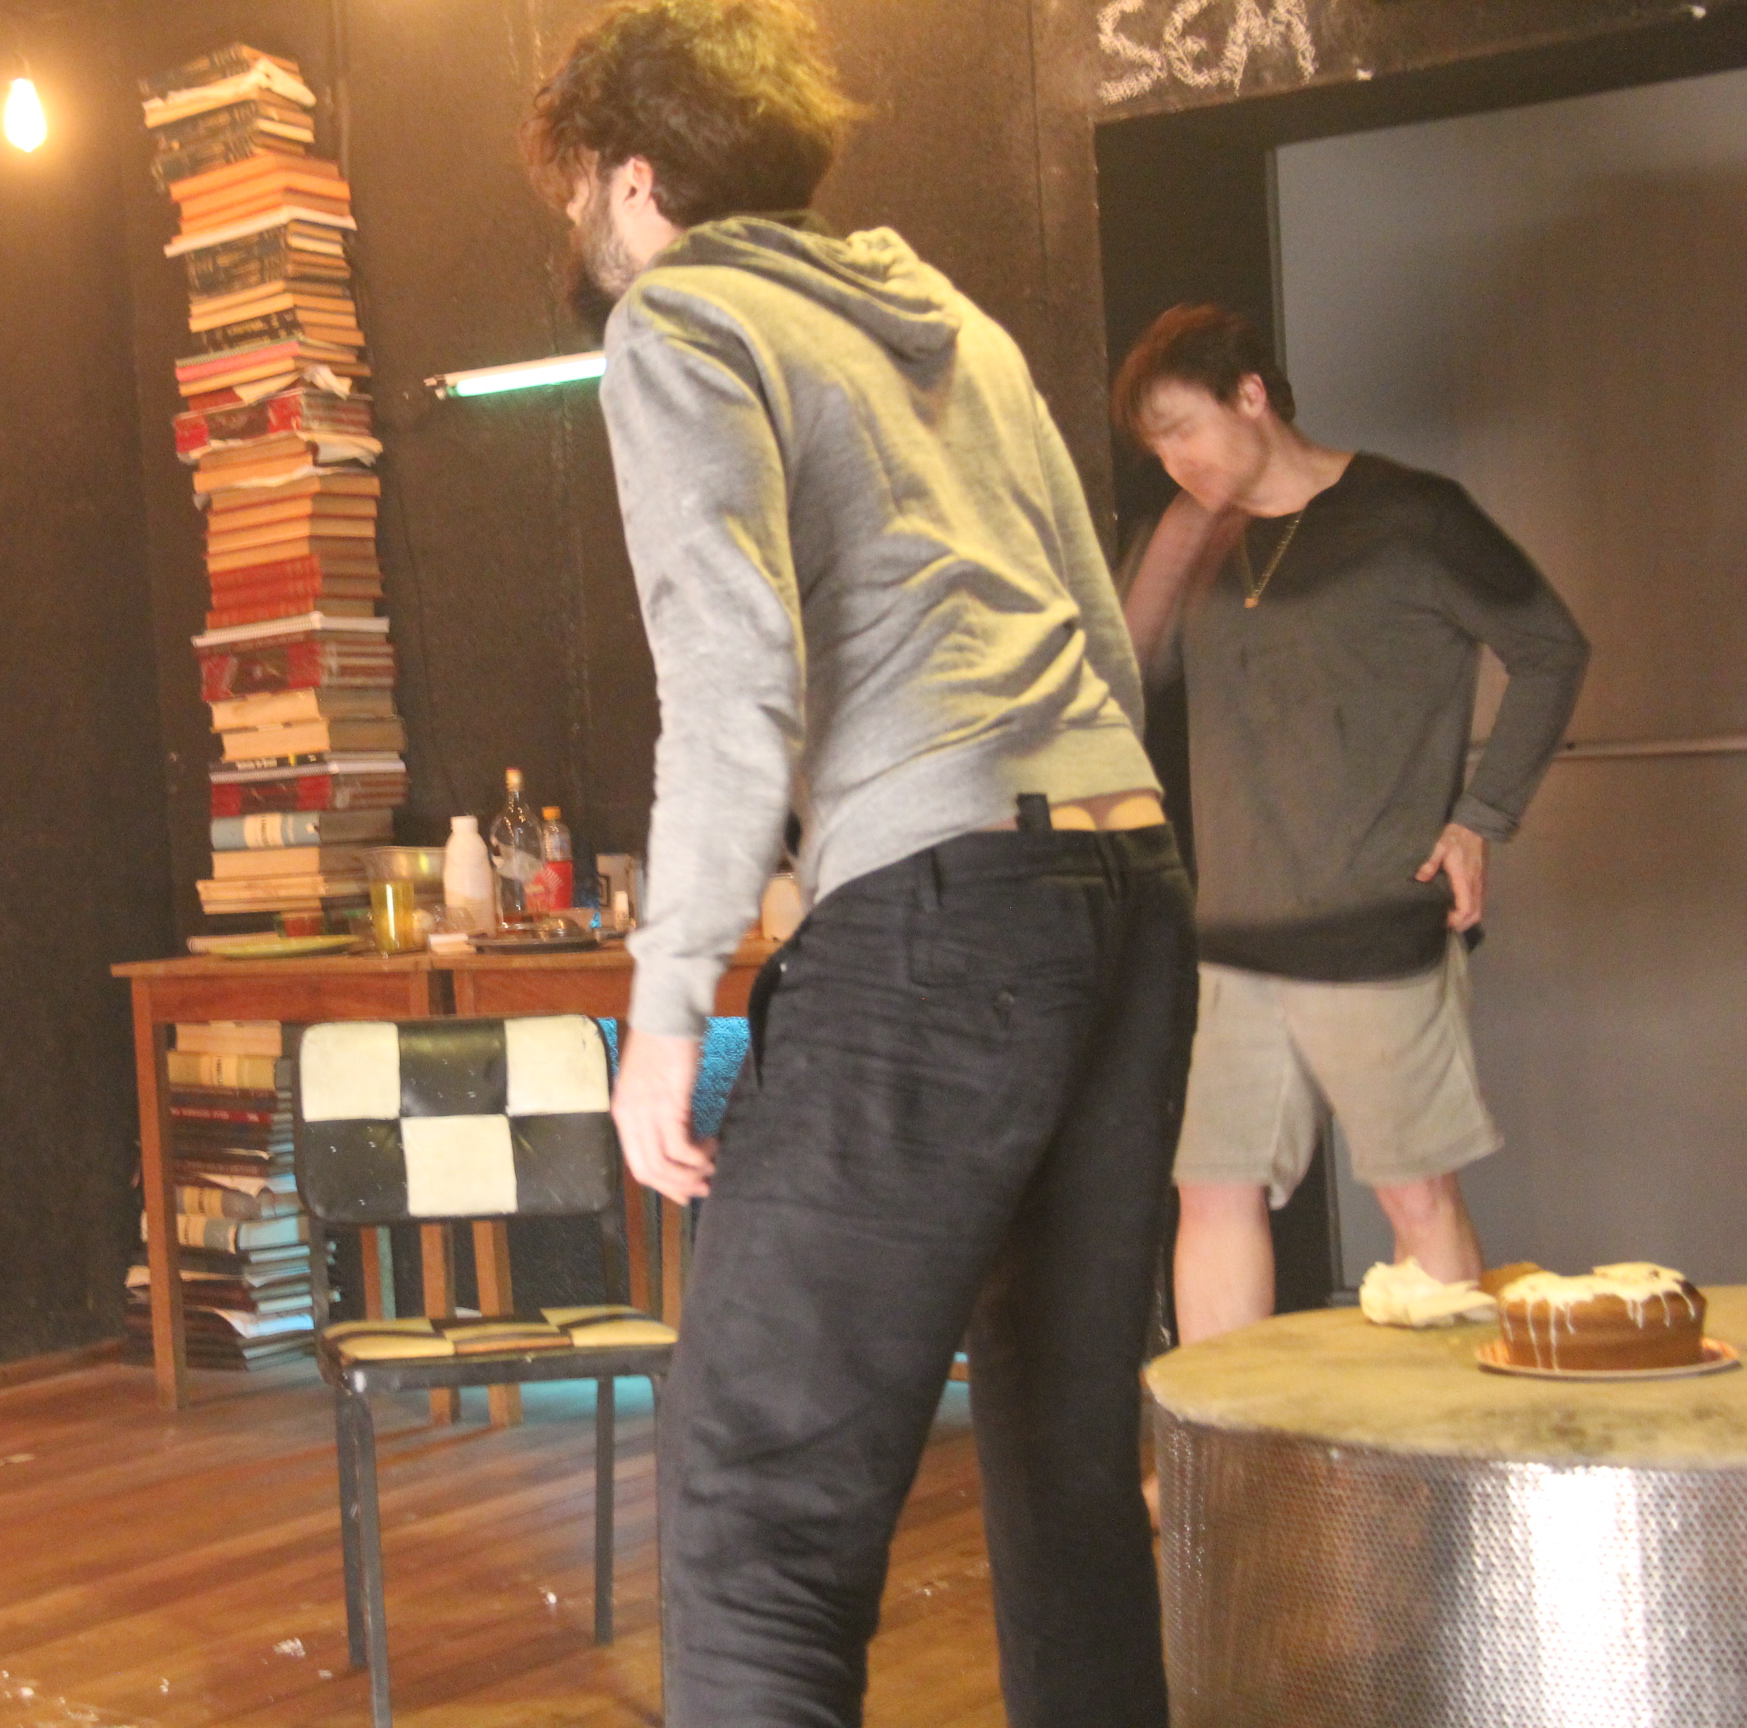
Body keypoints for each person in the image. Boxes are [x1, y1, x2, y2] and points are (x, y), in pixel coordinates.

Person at [528, 6, 1193, 1724]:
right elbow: (1101, 645)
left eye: (579, 194)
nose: (580, 230)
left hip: (943, 914)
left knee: (759, 1507)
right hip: (1127, 888)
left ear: (635, 178)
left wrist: (662, 1014)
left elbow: (732, 680)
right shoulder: (953, 319)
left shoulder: (680, 317)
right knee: (1066, 1470)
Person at [1111, 303, 1589, 1344]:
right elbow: (1117, 679)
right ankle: (1218, 1441)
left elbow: (1552, 648)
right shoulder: (1200, 539)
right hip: (1232, 934)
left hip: (1377, 921)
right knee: (1212, 1191)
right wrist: (1174, 546)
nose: (1178, 463)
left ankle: (1447, 1439)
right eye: (1160, 449)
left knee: (1416, 1196)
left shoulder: (1413, 515)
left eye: (1187, 430)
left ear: (1251, 396)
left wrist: (1480, 817)